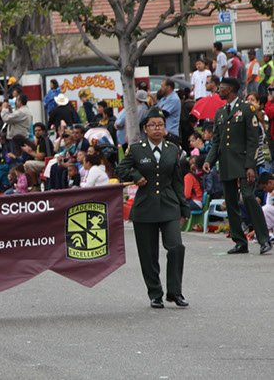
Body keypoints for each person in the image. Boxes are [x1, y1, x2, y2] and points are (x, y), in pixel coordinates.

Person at [116, 106, 190, 308]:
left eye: (161, 125)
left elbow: (177, 181)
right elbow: (120, 169)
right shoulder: (137, 148)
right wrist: (135, 175)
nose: (157, 128)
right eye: (153, 125)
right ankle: (155, 293)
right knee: (148, 254)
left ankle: (175, 292)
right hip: (145, 206)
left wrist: (184, 207)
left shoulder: (172, 149)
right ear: (145, 128)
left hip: (168, 204)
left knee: (176, 247)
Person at [203, 77, 272, 255]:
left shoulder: (247, 109)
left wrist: (250, 166)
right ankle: (240, 241)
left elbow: (252, 141)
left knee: (248, 197)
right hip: (226, 164)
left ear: (231, 89)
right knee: (231, 202)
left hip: (244, 163)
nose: (219, 90)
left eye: (222, 87)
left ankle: (264, 238)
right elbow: (217, 141)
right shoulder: (220, 113)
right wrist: (208, 161)